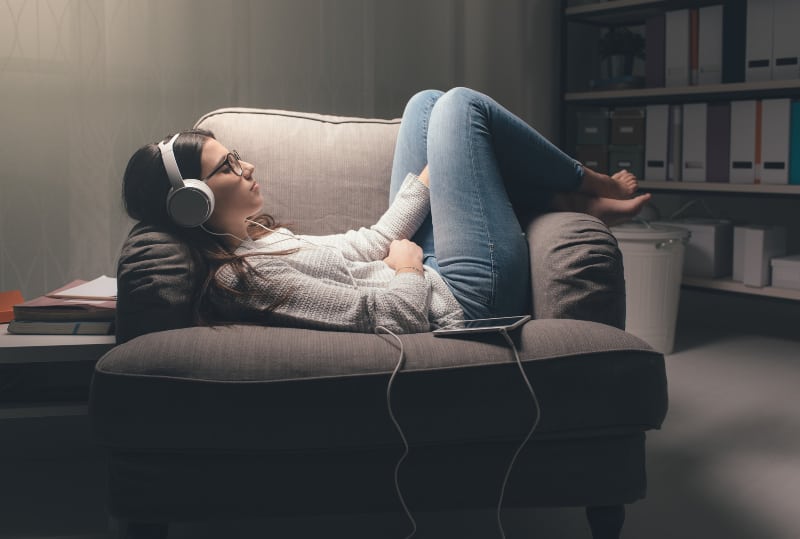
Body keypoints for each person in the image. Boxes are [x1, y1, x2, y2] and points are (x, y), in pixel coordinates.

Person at [122, 87, 650, 333]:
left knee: (425, 104)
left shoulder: (258, 242)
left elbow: (366, 243)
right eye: (228, 168)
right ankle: (591, 180)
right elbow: (389, 317)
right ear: (194, 204)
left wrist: (427, 182)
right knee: (462, 105)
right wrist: (406, 269)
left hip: (424, 269)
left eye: (235, 156)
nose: (248, 167)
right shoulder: (246, 280)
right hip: (461, 304)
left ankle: (564, 198)